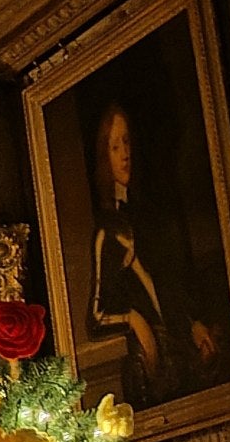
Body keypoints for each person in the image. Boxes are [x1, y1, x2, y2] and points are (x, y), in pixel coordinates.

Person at [85, 102, 218, 409]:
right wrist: (134, 320)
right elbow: (95, 319)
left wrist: (193, 323)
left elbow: (167, 284)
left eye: (127, 142)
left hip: (183, 351)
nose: (124, 153)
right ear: (104, 155)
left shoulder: (150, 217)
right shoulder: (109, 232)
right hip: (149, 369)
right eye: (115, 145)